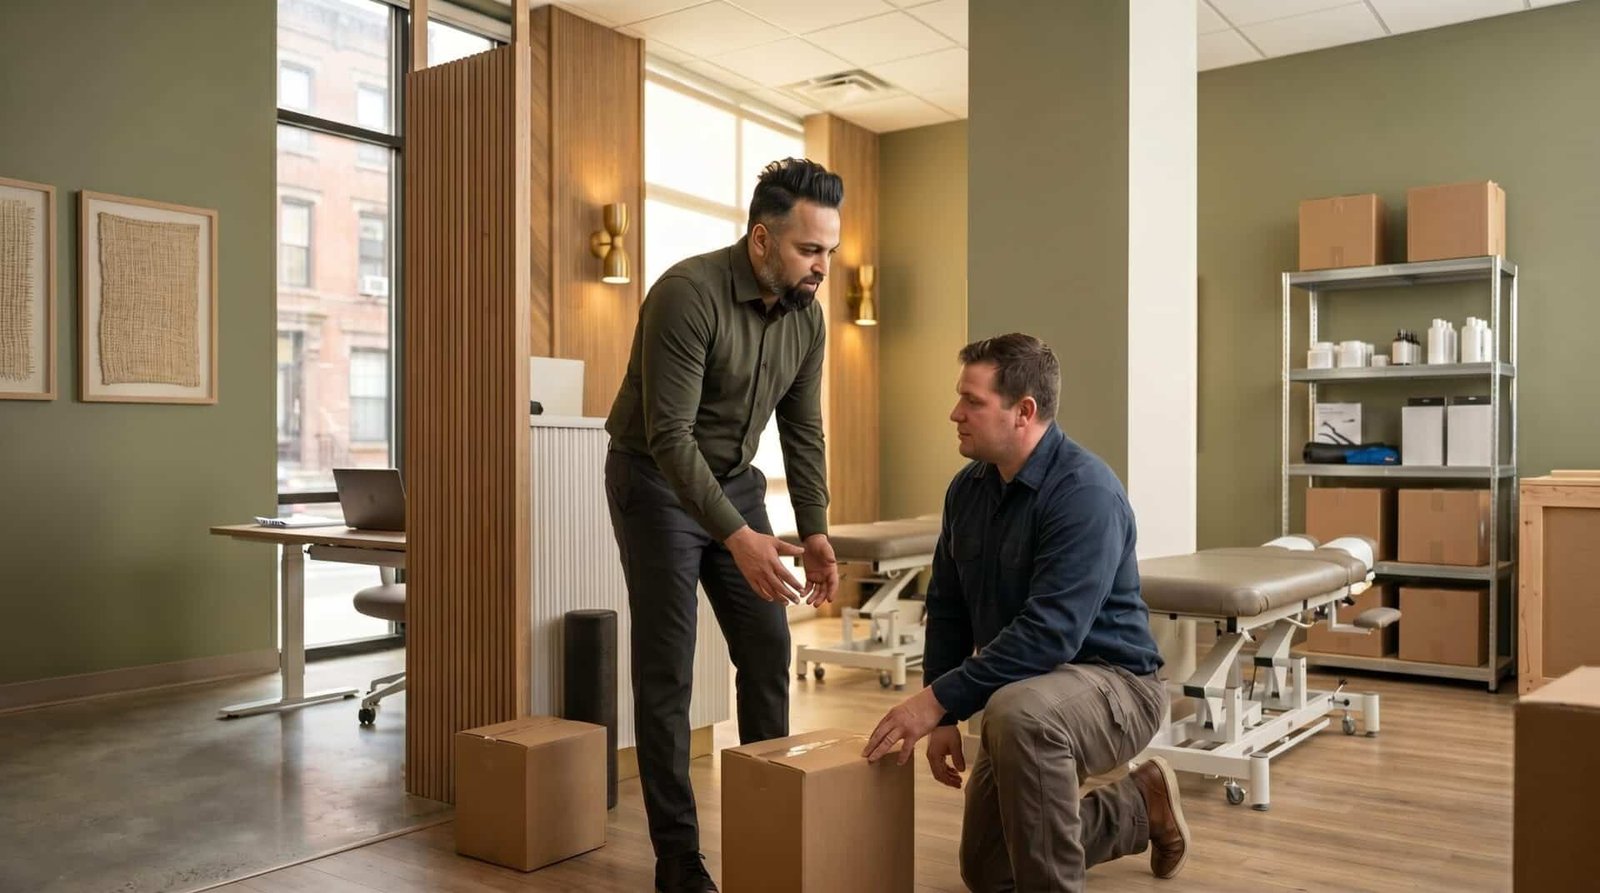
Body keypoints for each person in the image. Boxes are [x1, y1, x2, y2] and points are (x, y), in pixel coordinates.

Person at [862, 333, 1191, 891]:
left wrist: (935, 701)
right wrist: (943, 713)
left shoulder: (1084, 493)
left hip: (1117, 687)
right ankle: (1141, 804)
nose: (955, 413)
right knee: (990, 870)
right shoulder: (967, 491)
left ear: (1024, 412)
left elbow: (1049, 636)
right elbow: (947, 607)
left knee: (1019, 713)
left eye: (973, 401)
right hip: (1026, 695)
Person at [604, 158, 844, 893]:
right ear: (762, 240)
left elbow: (803, 431)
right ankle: (677, 858)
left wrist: (816, 529)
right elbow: (670, 437)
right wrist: (737, 537)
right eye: (810, 250)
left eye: (829, 251)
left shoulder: (807, 315)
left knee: (768, 647)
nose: (821, 268)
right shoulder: (688, 293)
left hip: (733, 482)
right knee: (668, 665)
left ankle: (769, 816)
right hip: (653, 478)